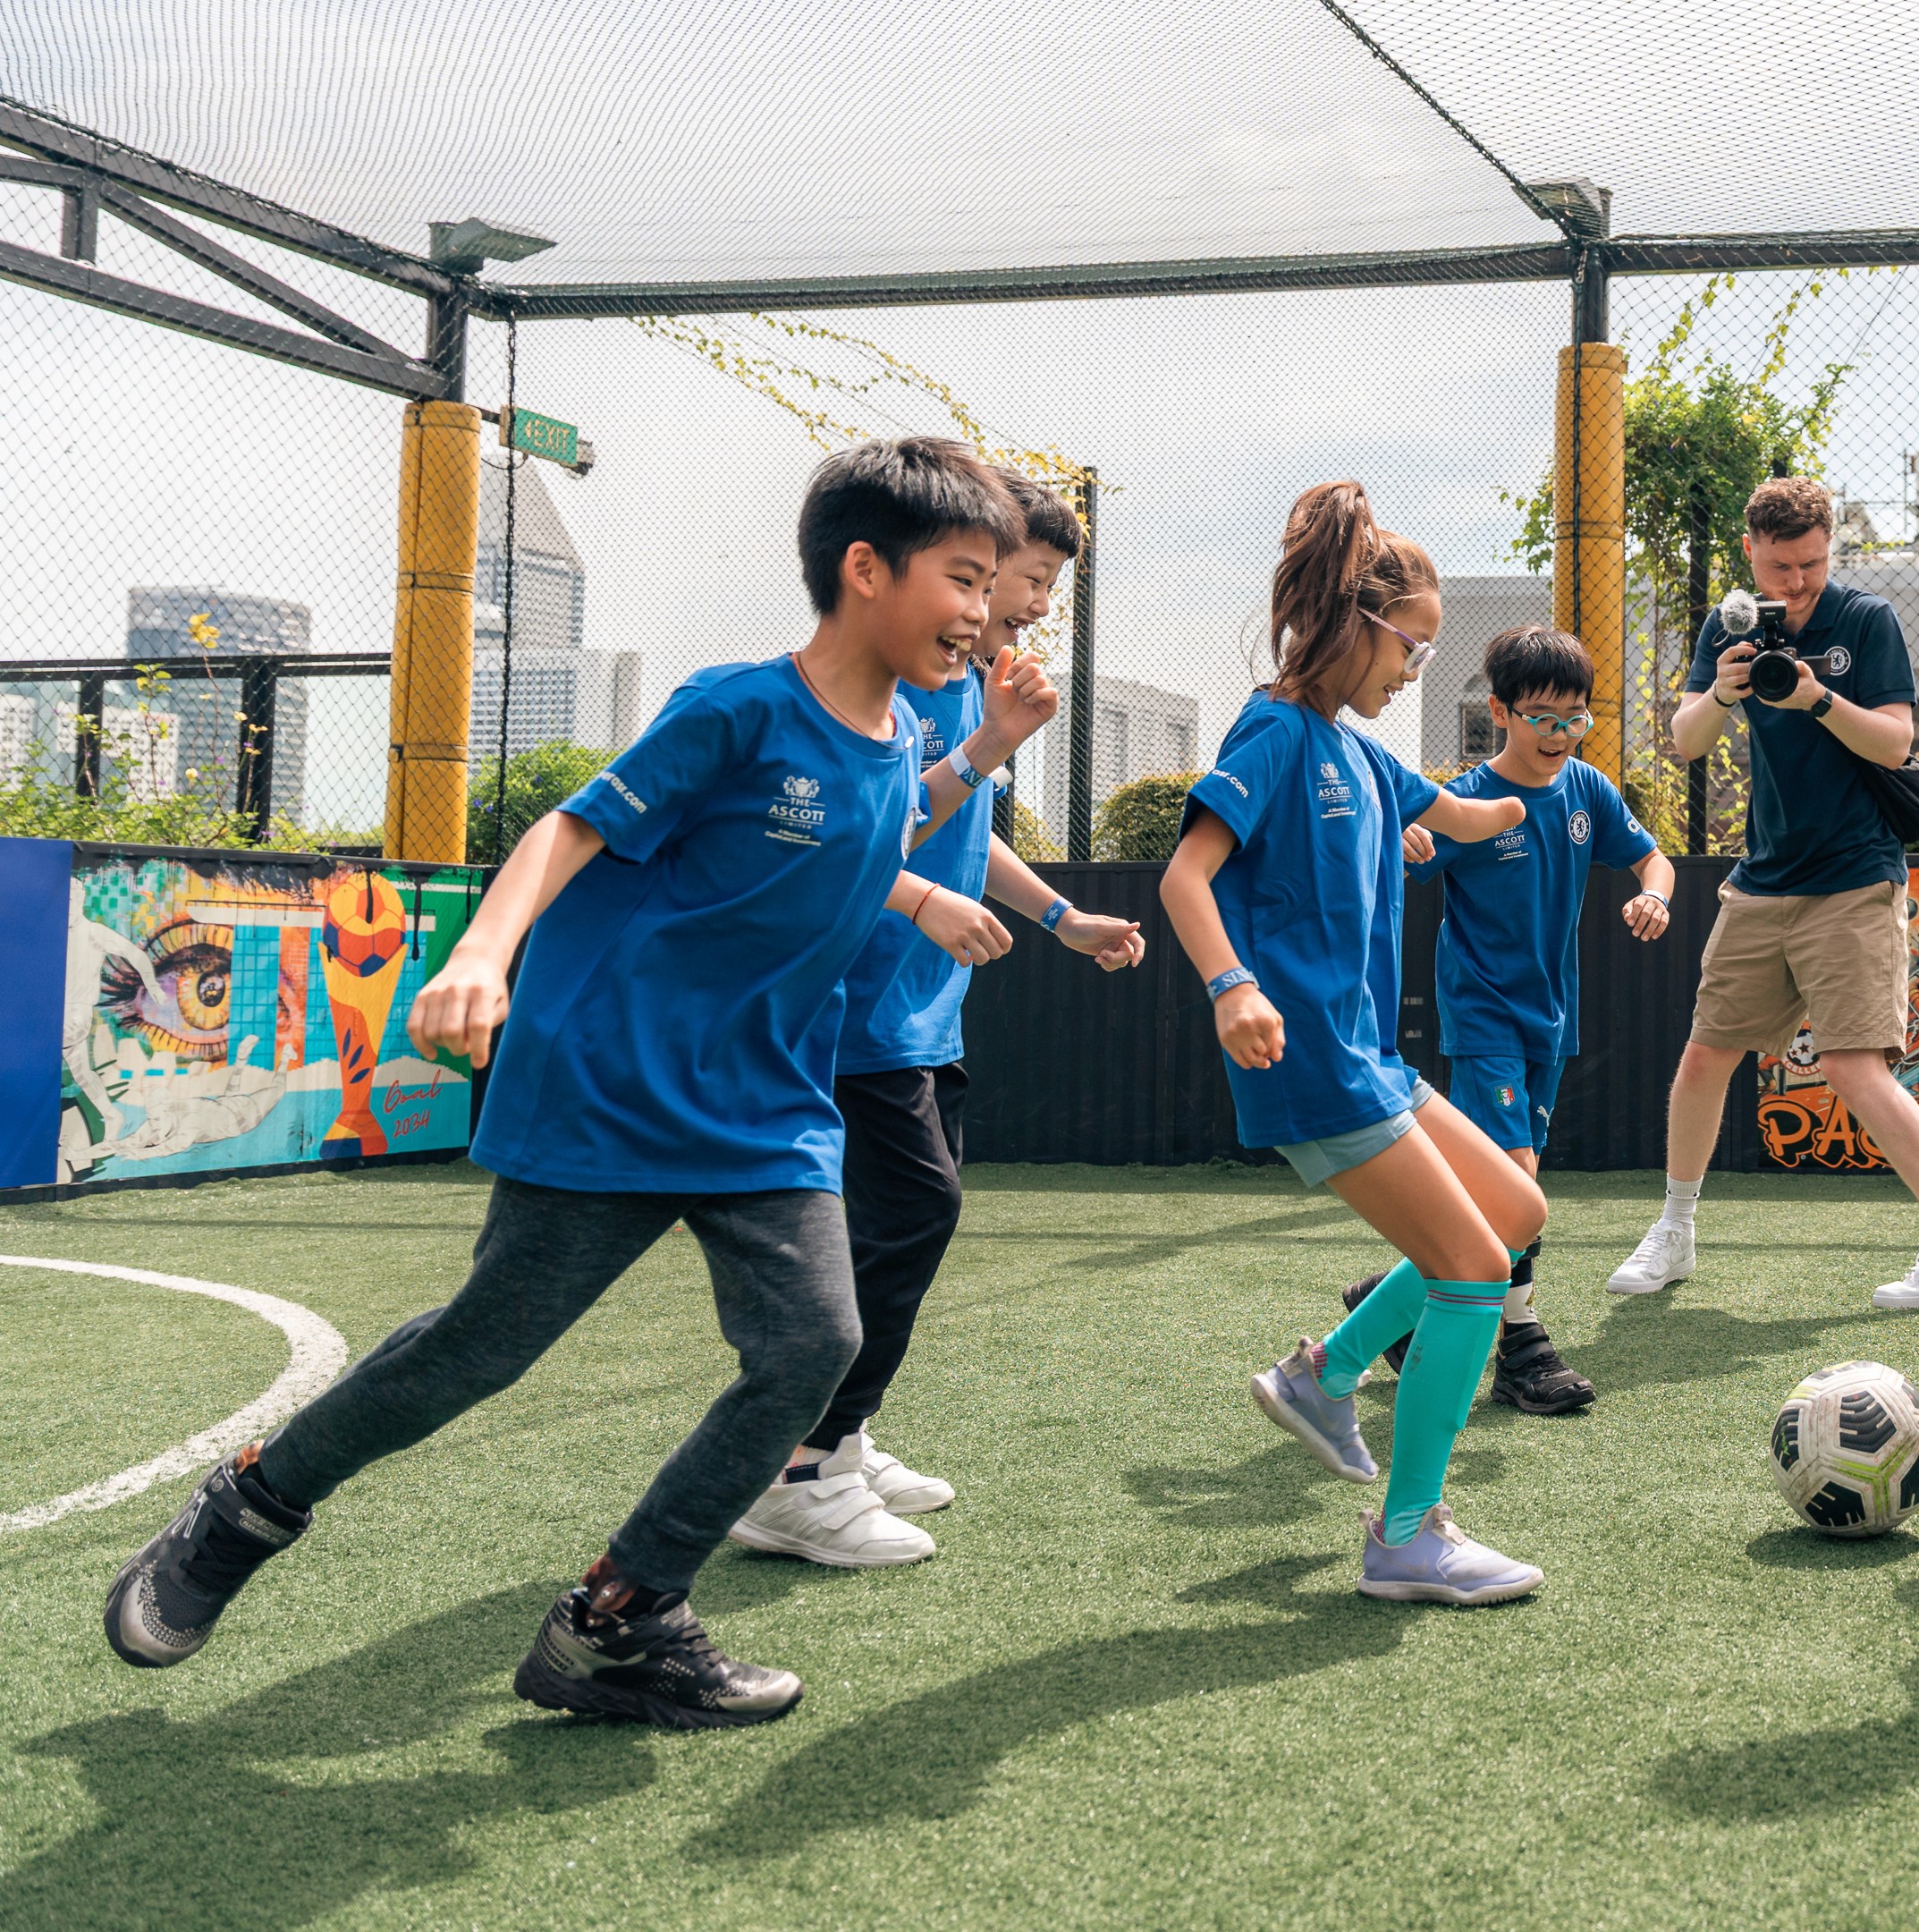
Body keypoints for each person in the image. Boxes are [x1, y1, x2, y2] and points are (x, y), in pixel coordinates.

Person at [106, 437, 1032, 1724]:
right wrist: (481, 952)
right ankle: (249, 1506)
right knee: (479, 1351)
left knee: (814, 1343)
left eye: (994, 587)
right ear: (863, 569)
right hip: (611, 1086)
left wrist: (950, 830)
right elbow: (574, 826)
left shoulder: (898, 742)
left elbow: (844, 836)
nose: (983, 611)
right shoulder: (737, 705)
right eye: (964, 578)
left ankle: (620, 1619)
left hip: (767, 1111)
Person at [728, 471, 1146, 1571]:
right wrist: (978, 768)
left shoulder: (974, 687)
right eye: (1019, 582)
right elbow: (878, 831)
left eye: (1048, 589)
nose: (1035, 608)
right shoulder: (913, 683)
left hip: (925, 1014)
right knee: (907, 1216)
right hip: (855, 1006)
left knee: (907, 1227)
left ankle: (842, 1442)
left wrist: (1063, 918)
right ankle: (798, 1468)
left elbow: (968, 833)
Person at [1158, 480, 1550, 1606]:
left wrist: (1526, 789)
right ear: (1355, 623)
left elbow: (1460, 812)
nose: (1414, 671)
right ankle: (1408, 1537)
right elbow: (1188, 877)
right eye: (1411, 649)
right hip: (1316, 1062)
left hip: (1370, 1058)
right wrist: (1232, 985)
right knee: (1472, 1269)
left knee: (1514, 1218)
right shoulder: (1277, 729)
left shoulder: (1359, 755)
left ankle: (1323, 1376)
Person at [1606, 476, 1919, 1312]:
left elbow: (1897, 741)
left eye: (1815, 564)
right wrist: (1724, 688)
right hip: (1762, 879)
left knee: (1853, 1067)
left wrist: (1817, 697)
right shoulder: (1733, 623)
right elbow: (1684, 741)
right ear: (1750, 551)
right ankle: (1674, 1233)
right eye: (1784, 565)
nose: (1799, 582)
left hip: (1856, 876)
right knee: (1703, 1056)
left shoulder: (1864, 620)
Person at [1339, 623, 1675, 1415]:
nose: (1560, 735)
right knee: (1517, 1185)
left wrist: (1654, 892)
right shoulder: (1469, 800)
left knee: (1502, 1194)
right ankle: (1522, 1348)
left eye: (1575, 718)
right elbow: (1388, 861)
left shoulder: (1588, 789)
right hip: (1482, 1015)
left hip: (1551, 1023)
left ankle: (1389, 1301)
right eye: (1542, 718)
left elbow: (1650, 856)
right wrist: (1411, 841)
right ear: (1500, 711)